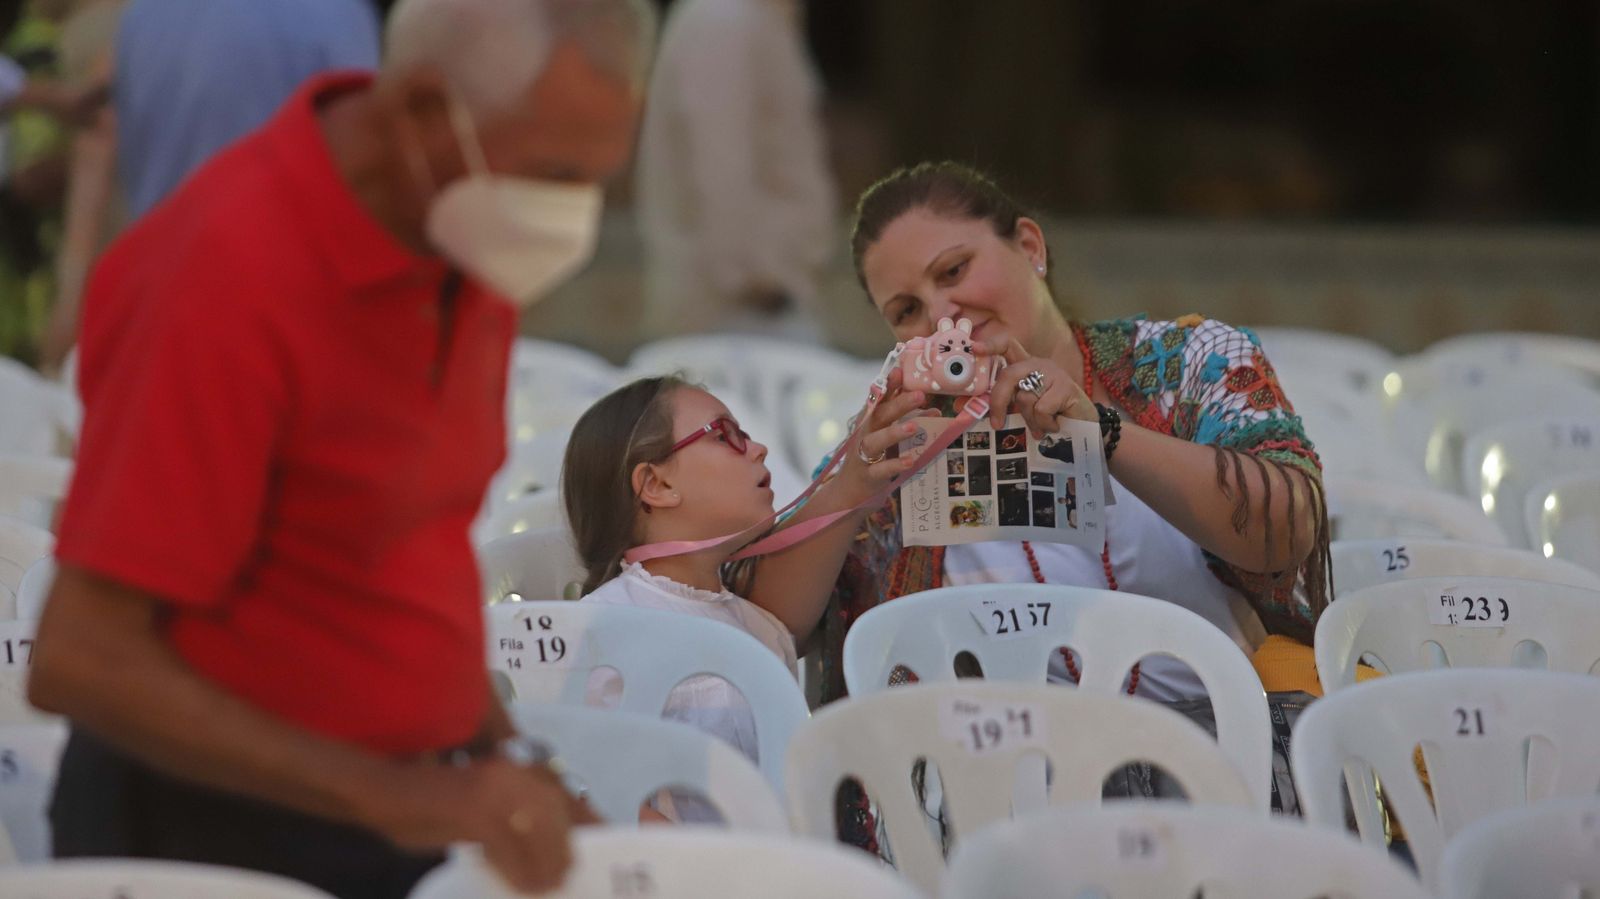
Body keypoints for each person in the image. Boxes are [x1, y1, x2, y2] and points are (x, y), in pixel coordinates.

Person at [27, 1, 654, 896]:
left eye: (594, 181)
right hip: (208, 834)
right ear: (427, 111)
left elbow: (412, 553)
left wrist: (514, 760)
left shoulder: (461, 235)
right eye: (555, 175)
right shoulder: (222, 272)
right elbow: (82, 659)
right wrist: (394, 796)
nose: (572, 216)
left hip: (398, 807)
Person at [805, 162, 1330, 719]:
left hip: (1225, 739)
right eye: (907, 310)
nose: (940, 316)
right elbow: (785, 619)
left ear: (1030, 246)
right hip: (1009, 755)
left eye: (954, 271)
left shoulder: (1185, 361)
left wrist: (1101, 432)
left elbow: (1286, 534)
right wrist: (852, 484)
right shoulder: (910, 440)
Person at [561, 373, 920, 771]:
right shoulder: (597, 632)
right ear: (656, 484)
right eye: (724, 436)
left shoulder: (760, 625)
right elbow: (588, 781)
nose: (759, 450)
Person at [635, 0, 836, 340]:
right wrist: (756, 280)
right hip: (741, 312)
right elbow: (719, 162)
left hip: (761, 305)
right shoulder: (723, 20)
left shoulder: (751, 18)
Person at [112, 0, 381, 219]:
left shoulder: (140, 17)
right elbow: (369, 157)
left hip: (166, 257)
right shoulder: (334, 12)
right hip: (279, 257)